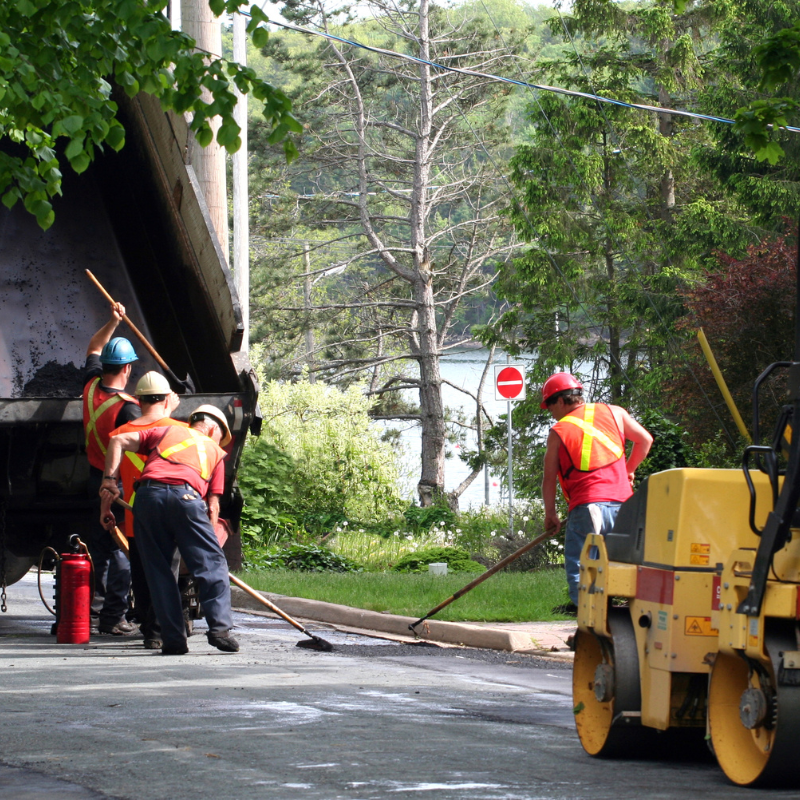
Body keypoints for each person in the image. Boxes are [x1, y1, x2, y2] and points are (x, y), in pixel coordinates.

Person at [99, 405, 239, 655]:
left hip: (146, 499)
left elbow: (118, 440)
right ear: (211, 428)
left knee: (160, 573)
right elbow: (212, 505)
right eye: (221, 437)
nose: (220, 443)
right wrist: (206, 543)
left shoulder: (164, 432)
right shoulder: (215, 452)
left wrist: (110, 481)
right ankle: (219, 629)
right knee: (212, 564)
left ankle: (173, 640)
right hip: (186, 498)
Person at [541, 372, 653, 609]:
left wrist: (550, 514)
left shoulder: (559, 431)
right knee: (622, 567)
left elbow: (549, 479)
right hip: (625, 507)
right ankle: (617, 623)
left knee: (583, 568)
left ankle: (588, 624)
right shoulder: (616, 412)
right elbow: (645, 440)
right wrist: (628, 469)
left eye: (550, 407)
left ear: (561, 401)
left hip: (588, 507)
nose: (551, 413)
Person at [110, 371, 186, 650]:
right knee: (168, 570)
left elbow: (111, 481)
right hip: (171, 513)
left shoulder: (120, 434)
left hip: (135, 515)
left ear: (137, 400)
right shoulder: (180, 430)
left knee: (142, 574)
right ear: (167, 399)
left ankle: (150, 631)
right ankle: (160, 628)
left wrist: (105, 510)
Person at [82, 302, 141, 636]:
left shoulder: (90, 386)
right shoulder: (128, 411)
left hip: (93, 475)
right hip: (116, 485)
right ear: (129, 370)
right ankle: (113, 617)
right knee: (121, 550)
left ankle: (92, 612)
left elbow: (93, 346)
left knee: (100, 547)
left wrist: (112, 322)